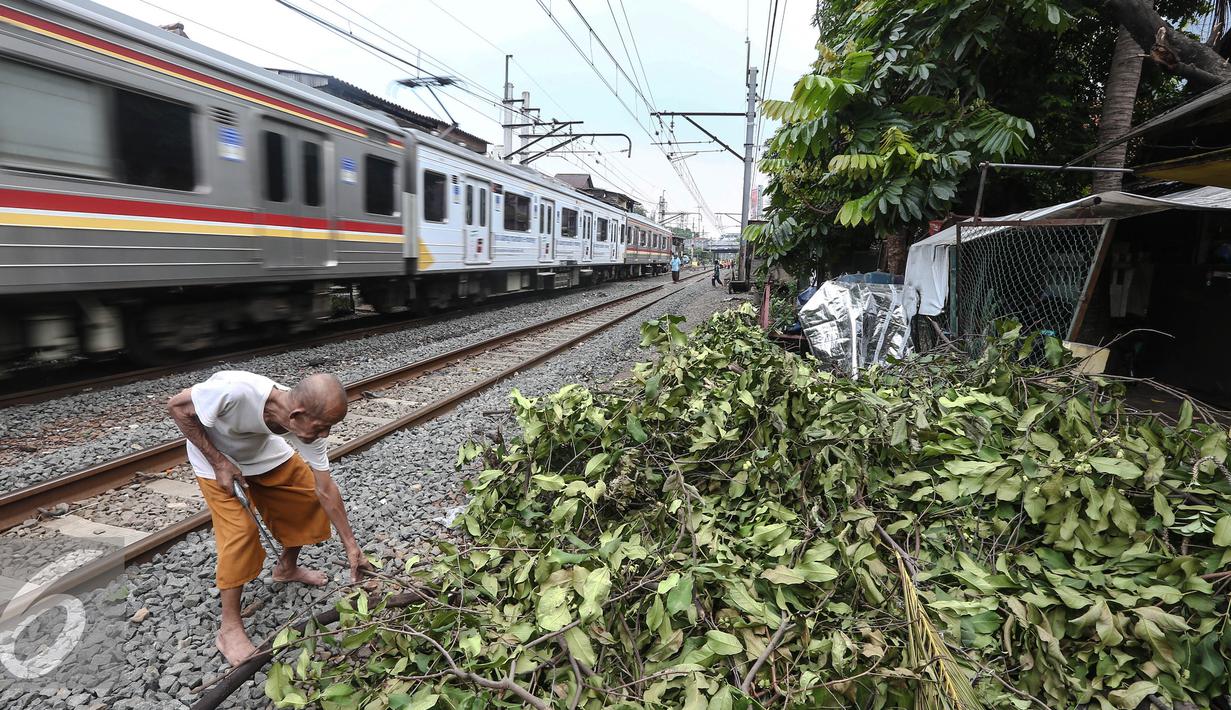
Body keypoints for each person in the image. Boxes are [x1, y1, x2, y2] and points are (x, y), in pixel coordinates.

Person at [166, 371, 372, 666]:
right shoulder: (236, 392)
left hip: (261, 451)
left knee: (306, 497)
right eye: (323, 427)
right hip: (215, 459)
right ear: (298, 414)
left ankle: (286, 568)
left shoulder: (305, 422)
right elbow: (177, 407)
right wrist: (220, 462)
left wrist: (352, 546)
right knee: (241, 533)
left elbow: (325, 489)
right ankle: (229, 628)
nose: (325, 435)